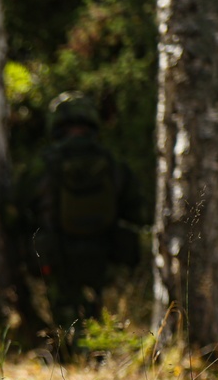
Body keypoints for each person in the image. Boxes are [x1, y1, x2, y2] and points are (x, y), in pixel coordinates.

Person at [12, 91, 149, 353]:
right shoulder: (113, 162)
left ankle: (71, 353)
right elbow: (138, 212)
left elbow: (16, 208)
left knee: (65, 314)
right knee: (99, 312)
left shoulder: (44, 163)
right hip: (104, 254)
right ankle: (95, 353)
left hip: (56, 255)